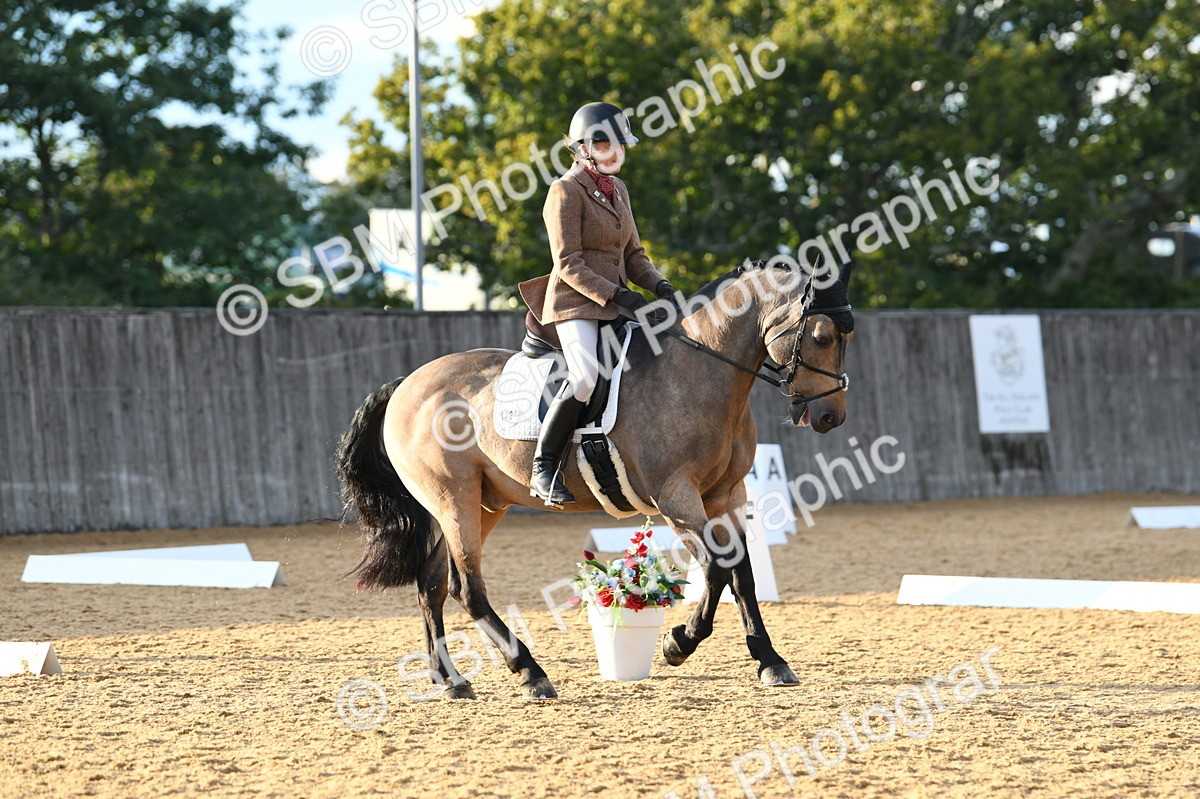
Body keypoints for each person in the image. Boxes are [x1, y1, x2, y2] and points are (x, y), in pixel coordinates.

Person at [518, 101, 679, 505]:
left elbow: (634, 256)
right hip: (575, 304)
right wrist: (619, 294)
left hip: (615, 303)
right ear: (584, 148)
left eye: (621, 145)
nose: (617, 153)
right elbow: (568, 264)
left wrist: (662, 287)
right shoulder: (564, 191)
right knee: (586, 376)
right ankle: (543, 467)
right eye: (609, 145)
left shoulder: (618, 190)